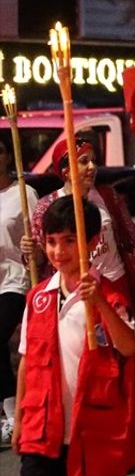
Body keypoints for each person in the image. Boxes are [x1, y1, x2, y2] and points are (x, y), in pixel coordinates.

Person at [14, 197, 135, 476]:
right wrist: (19, 417)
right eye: (51, 241)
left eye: (69, 241)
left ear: (92, 242)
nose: (58, 251)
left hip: (94, 422)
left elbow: (128, 346)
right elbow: (26, 362)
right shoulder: (38, 297)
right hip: (46, 419)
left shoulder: (109, 295)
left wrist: (97, 301)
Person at [25, 137, 135, 317]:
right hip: (74, 289)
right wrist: (32, 251)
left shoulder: (107, 196)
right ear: (65, 170)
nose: (92, 167)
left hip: (114, 283)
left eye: (93, 160)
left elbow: (132, 235)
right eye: (84, 161)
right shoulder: (47, 206)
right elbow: (41, 257)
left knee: (119, 340)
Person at [1, 138, 38, 445]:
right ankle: (9, 414)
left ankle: (14, 415)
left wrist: (34, 247)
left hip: (14, 281)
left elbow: (41, 235)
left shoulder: (24, 194)